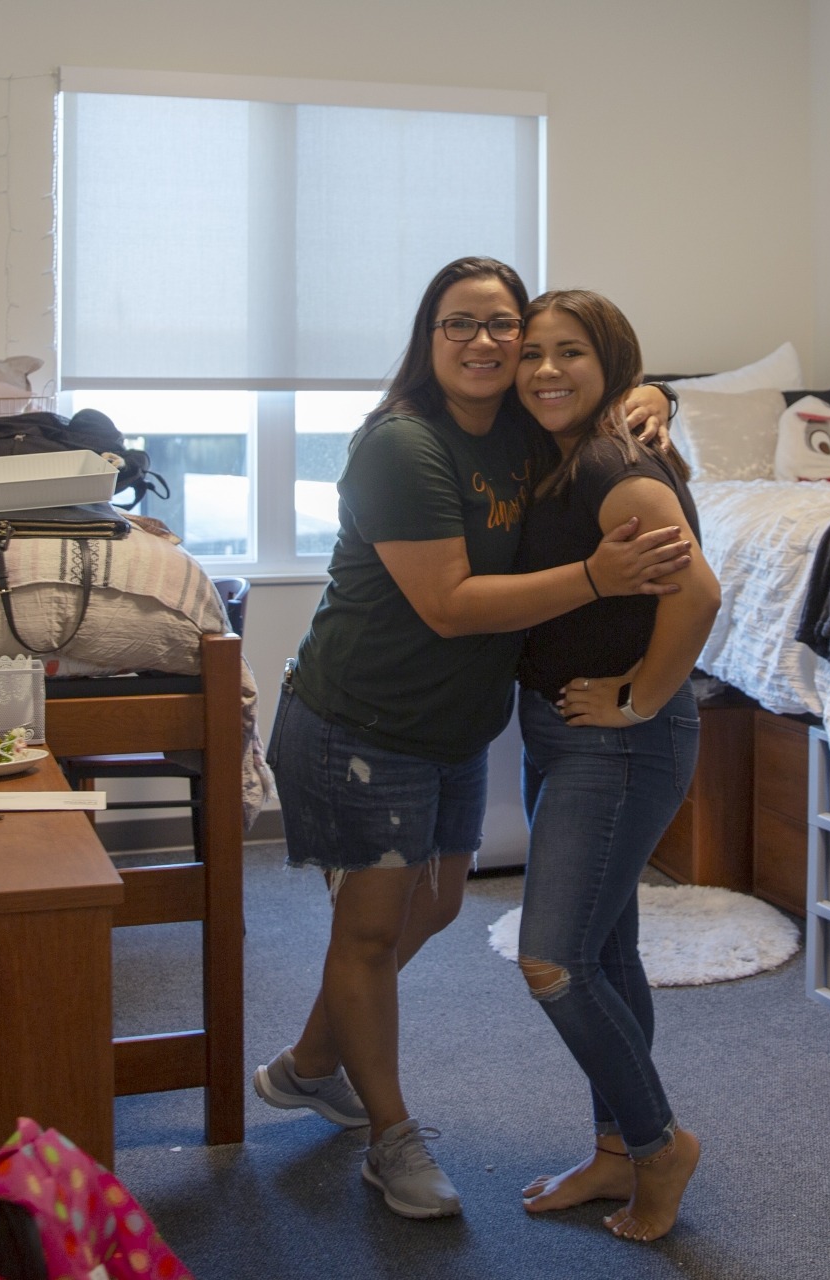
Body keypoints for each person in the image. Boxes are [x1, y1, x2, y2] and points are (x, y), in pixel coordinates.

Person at [257, 257, 688, 1220]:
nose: (490, 343)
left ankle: (313, 1064)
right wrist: (596, 577)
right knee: (369, 930)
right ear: (430, 337)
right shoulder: (402, 446)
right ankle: (391, 1140)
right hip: (361, 722)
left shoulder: (522, 439)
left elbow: (590, 392)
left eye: (507, 326)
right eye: (463, 324)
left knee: (440, 904)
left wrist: (646, 394)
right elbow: (450, 606)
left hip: (453, 729)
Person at [508, 289, 719, 1243]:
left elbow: (698, 594)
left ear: (613, 366)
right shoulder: (563, 456)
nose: (546, 369)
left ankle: (658, 1142)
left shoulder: (609, 460)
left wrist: (638, 697)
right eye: (533, 353)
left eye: (572, 354)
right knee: (605, 951)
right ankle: (613, 1152)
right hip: (564, 730)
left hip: (618, 742)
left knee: (552, 960)